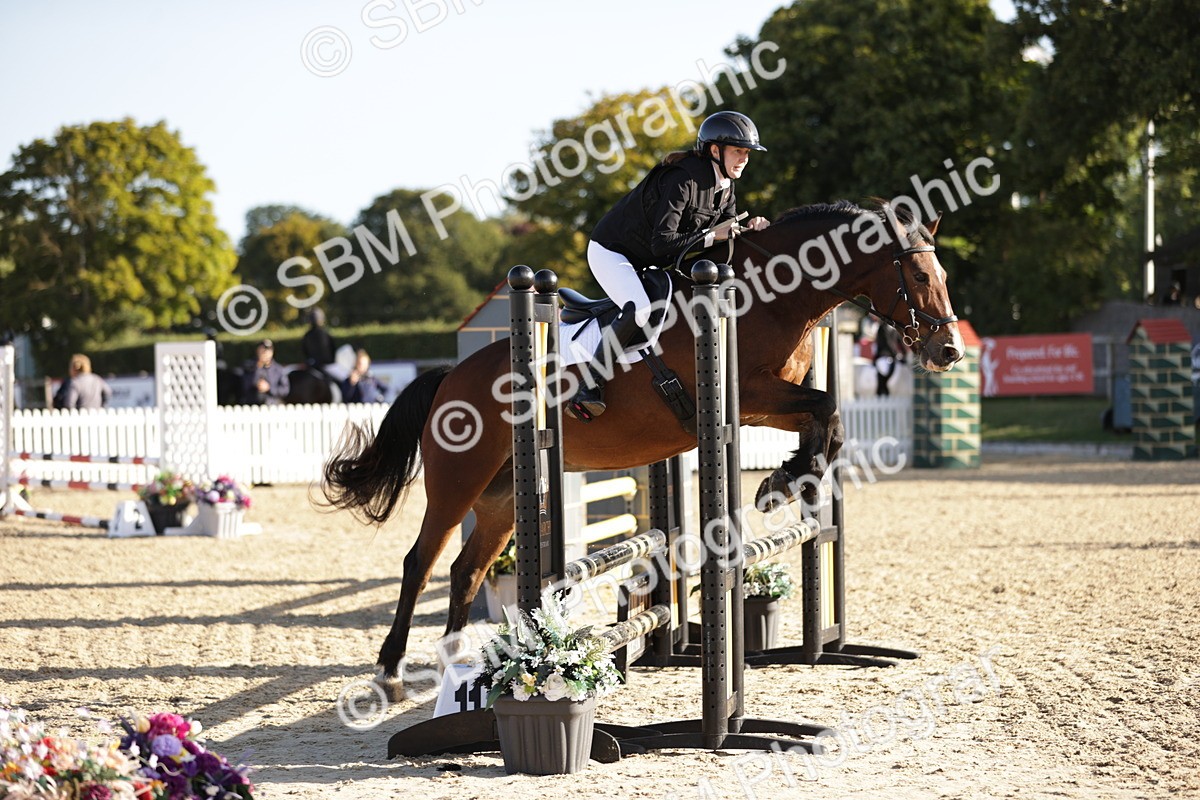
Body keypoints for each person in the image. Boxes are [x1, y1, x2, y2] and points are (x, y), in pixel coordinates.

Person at [566, 110, 771, 421]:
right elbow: (664, 243)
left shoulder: (726, 187)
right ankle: (588, 387)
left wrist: (748, 230)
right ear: (714, 151)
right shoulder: (684, 179)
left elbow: (722, 241)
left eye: (746, 153)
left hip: (648, 262)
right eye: (738, 151)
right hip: (612, 252)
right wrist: (711, 235)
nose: (743, 159)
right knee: (640, 309)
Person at [241, 339, 290, 405]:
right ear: (257, 351)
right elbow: (245, 385)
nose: (265, 353)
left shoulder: (278, 369)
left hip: (272, 405)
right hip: (252, 405)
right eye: (262, 350)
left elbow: (285, 390)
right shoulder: (249, 367)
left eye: (268, 350)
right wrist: (258, 366)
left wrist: (269, 388)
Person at [874, 324, 906, 397]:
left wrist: (904, 353)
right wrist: (895, 354)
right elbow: (887, 342)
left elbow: (899, 341)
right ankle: (883, 387)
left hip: (892, 355)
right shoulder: (882, 327)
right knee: (885, 368)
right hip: (883, 355)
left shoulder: (894, 328)